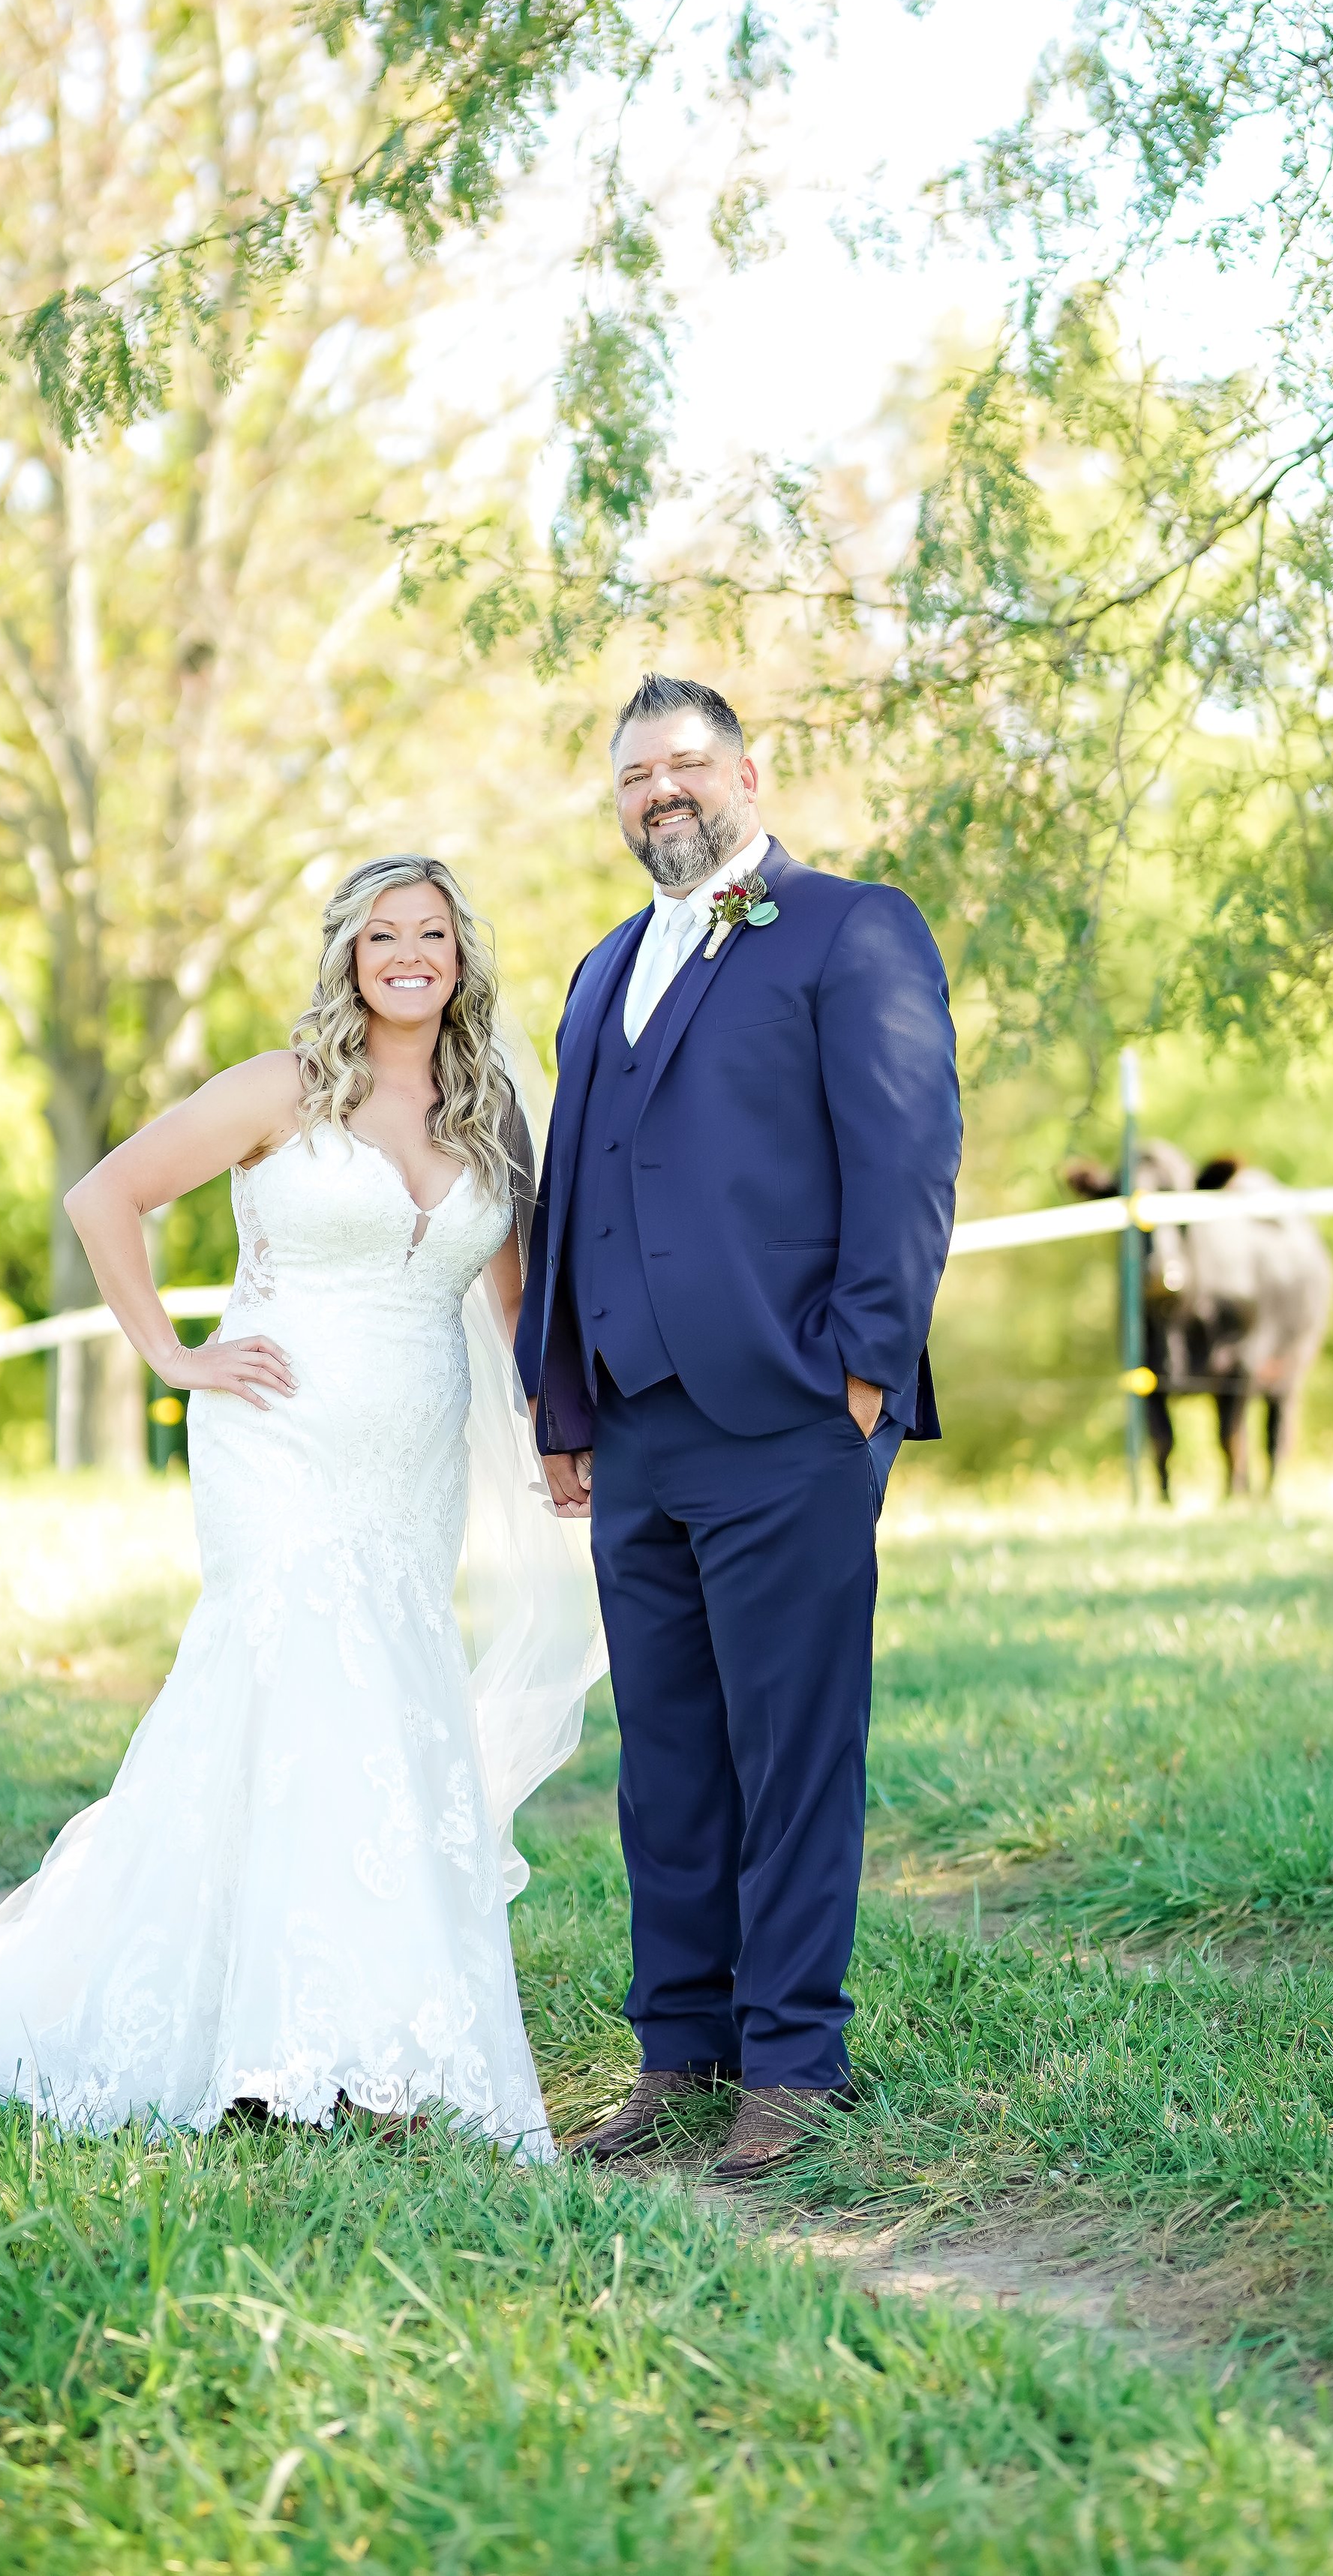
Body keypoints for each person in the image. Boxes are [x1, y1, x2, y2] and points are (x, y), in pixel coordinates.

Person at [0, 858, 602, 2155]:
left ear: (462, 957)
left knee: (386, 1704)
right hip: (275, 1443)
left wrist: (557, 1434)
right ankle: (264, 2039)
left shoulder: (489, 1106)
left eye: (433, 935)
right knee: (292, 1682)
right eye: (382, 933)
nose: (408, 954)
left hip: (411, 1466)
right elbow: (102, 1194)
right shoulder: (283, 1085)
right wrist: (176, 1355)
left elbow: (513, 1305)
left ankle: (380, 2031)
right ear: (348, 954)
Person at [516, 673, 961, 2179]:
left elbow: (904, 1160)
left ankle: (794, 2060)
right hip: (634, 1425)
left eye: (685, 763)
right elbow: (571, 1194)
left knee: (790, 1747)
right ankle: (677, 2050)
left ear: (748, 774)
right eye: (634, 773)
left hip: (789, 1414)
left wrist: (860, 1375)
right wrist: (560, 1395)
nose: (660, 791)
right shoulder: (596, 972)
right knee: (668, 1759)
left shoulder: (849, 928)